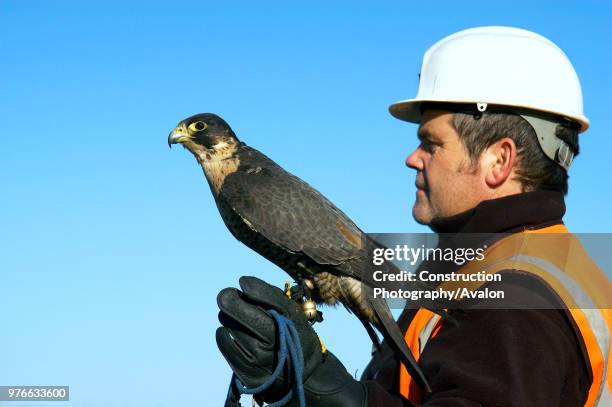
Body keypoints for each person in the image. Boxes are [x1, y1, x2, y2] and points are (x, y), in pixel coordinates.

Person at [215, 26, 610, 406]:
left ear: (499, 160)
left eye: (431, 144)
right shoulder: (514, 261)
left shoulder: (520, 300)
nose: (411, 158)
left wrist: (322, 391)